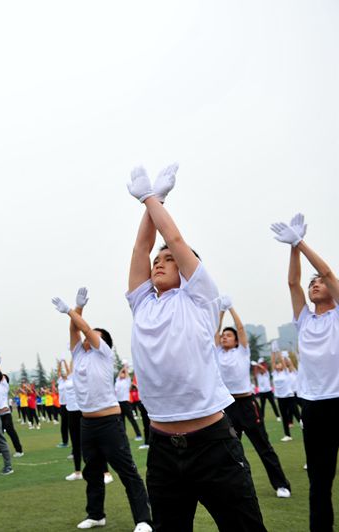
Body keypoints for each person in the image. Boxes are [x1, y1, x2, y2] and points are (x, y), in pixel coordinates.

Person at [126, 164, 265, 531]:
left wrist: (153, 199)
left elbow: (173, 238)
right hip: (162, 448)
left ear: (189, 269)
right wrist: (150, 203)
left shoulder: (200, 299)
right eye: (157, 262)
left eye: (169, 260)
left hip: (212, 445)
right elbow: (142, 248)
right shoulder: (142, 304)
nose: (159, 263)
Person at [52, 288, 152, 532]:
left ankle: (143, 520)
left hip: (109, 422)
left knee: (127, 472)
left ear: (103, 341)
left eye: (94, 335)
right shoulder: (80, 354)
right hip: (87, 423)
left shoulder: (104, 353)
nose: (87, 336)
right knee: (93, 472)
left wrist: (72, 311)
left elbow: (84, 329)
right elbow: (75, 331)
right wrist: (77, 309)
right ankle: (96, 515)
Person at [271, 211, 339, 531]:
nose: (315, 284)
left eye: (319, 282)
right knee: (320, 482)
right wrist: (292, 248)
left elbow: (326, 271)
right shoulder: (304, 320)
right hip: (313, 405)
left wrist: (301, 242)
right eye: (311, 283)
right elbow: (292, 282)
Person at [214, 296, 291, 497]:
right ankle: (237, 488)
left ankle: (281, 485)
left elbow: (240, 329)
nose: (224, 337)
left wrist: (231, 308)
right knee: (231, 450)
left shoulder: (242, 351)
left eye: (228, 336)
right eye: (223, 336)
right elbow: (214, 331)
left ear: (236, 341)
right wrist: (221, 311)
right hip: (228, 407)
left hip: (247, 405)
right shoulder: (217, 353)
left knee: (263, 446)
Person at [59, 358, 83, 481]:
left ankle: (104, 472)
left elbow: (72, 363)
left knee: (89, 442)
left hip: (82, 411)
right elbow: (66, 370)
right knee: (75, 442)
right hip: (71, 412)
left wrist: (71, 359)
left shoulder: (80, 377)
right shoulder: (68, 379)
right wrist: (62, 362)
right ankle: (77, 471)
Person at [270, 345, 300, 441]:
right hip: (280, 398)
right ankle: (287, 435)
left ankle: (307, 429)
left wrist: (278, 352)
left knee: (297, 415)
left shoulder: (286, 372)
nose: (278, 365)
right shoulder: (274, 374)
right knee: (284, 416)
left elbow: (282, 361)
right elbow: (272, 362)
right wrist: (273, 351)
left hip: (289, 396)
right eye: (277, 364)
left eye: (279, 364)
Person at [115, 366, 143, 441]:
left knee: (132, 420)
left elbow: (127, 374)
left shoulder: (127, 381)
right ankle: (123, 436)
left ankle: (139, 435)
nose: (121, 374)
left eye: (123, 373)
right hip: (119, 403)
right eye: (121, 373)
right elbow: (119, 374)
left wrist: (125, 368)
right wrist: (122, 369)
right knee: (121, 421)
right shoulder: (118, 381)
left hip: (126, 403)